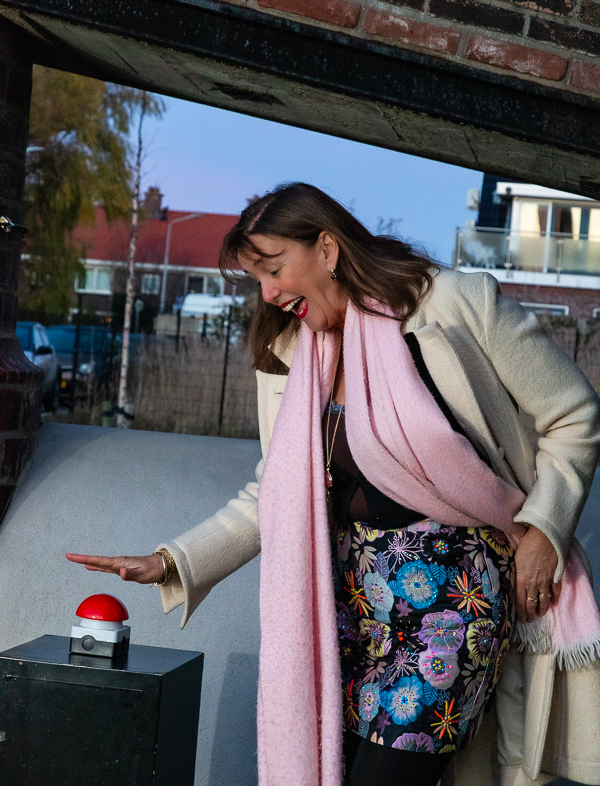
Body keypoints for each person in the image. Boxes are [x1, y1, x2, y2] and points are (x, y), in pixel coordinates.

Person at [68, 183, 600, 786]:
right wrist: (170, 561)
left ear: (326, 247)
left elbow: (575, 413)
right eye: (257, 279)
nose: (267, 293)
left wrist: (544, 531)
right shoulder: (296, 353)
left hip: (450, 605)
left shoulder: (454, 305)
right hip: (346, 608)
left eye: (273, 269)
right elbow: (277, 494)